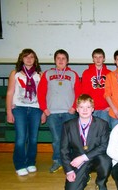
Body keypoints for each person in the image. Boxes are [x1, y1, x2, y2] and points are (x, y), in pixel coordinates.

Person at [37, 49, 81, 173]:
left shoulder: (73, 74)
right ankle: (57, 161)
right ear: (55, 60)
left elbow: (79, 92)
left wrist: (74, 107)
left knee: (71, 139)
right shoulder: (47, 73)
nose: (61, 61)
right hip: (52, 113)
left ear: (67, 61)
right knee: (56, 139)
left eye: (63, 58)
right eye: (58, 58)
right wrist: (44, 109)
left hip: (69, 112)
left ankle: (71, 161)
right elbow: (41, 92)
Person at [60, 94, 112, 190]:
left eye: (88, 107)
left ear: (93, 109)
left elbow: (104, 146)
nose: (85, 110)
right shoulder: (68, 125)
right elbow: (63, 150)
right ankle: (85, 176)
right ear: (77, 109)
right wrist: (69, 171)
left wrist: (83, 157)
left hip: (96, 158)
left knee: (106, 160)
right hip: (78, 161)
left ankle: (101, 182)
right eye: (81, 107)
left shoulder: (102, 124)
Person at [6, 48, 46, 176]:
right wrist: (9, 112)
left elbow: (43, 94)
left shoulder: (39, 74)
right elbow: (10, 92)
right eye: (26, 57)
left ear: (35, 60)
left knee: (33, 138)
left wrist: (44, 112)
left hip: (36, 109)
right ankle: (19, 164)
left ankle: (30, 162)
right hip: (19, 108)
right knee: (21, 138)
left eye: (32, 57)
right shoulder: (15, 73)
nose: (29, 59)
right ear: (21, 59)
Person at [81, 48, 111, 126]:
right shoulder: (86, 73)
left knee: (104, 131)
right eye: (95, 57)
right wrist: (87, 106)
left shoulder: (109, 73)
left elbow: (112, 92)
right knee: (91, 132)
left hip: (105, 109)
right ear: (93, 59)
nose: (98, 59)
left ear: (104, 59)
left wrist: (109, 106)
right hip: (91, 109)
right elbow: (84, 92)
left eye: (100, 57)